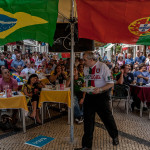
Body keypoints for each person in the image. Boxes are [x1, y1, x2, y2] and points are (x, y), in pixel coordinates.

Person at [75, 52, 119, 150]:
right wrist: (84, 95)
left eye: (85, 60)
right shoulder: (86, 68)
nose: (83, 61)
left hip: (101, 97)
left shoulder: (103, 67)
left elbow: (111, 84)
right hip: (89, 97)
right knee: (88, 122)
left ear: (91, 59)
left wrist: (100, 89)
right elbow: (87, 83)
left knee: (107, 118)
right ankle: (86, 146)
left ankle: (114, 136)